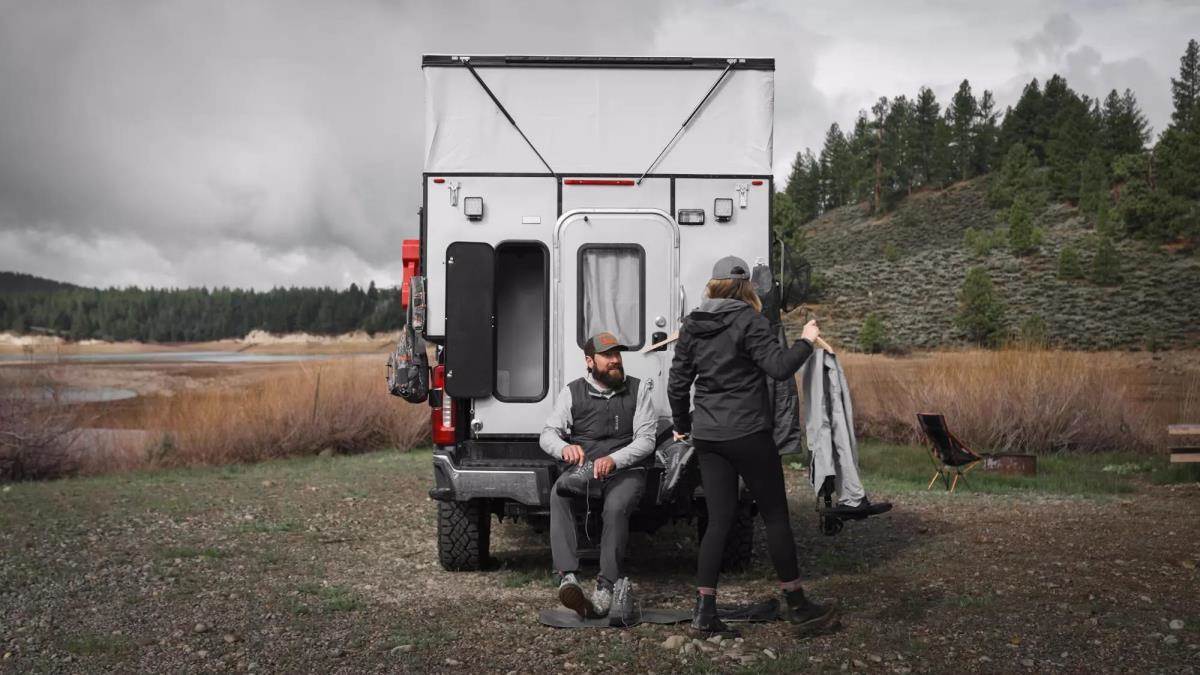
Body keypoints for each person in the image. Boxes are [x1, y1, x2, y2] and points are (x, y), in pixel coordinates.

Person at [668, 255, 839, 636]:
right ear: (746, 286)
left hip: (709, 438)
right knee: (776, 515)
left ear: (713, 286)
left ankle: (704, 612)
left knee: (719, 520)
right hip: (748, 434)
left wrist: (683, 425)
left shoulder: (692, 325)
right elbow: (779, 367)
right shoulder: (750, 320)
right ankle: (797, 605)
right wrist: (806, 341)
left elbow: (677, 384)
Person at [540, 331, 657, 618]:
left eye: (618, 354)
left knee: (616, 507)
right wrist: (564, 449)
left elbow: (646, 440)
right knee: (559, 493)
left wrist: (614, 460)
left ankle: (606, 585)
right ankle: (567, 576)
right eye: (608, 356)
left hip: (626, 471)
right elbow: (548, 434)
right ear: (590, 361)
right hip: (584, 470)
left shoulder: (639, 390)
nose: (616, 361)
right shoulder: (572, 392)